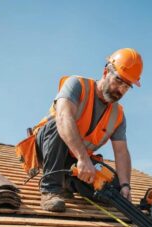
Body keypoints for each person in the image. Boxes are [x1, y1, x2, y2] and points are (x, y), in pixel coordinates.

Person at [19, 48, 143, 212]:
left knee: (112, 190)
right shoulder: (77, 85)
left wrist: (125, 185)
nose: (120, 90)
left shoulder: (118, 115)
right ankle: (50, 189)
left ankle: (66, 183)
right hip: (47, 148)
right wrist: (83, 158)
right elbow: (63, 118)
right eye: (119, 81)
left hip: (75, 161)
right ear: (106, 72)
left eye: (126, 87)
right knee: (58, 124)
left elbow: (121, 152)